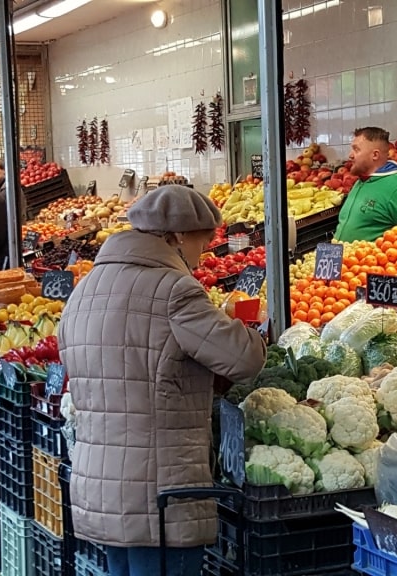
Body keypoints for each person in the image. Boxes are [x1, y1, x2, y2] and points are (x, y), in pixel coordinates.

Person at [59, 185, 266, 576]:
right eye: (201, 245)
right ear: (175, 238)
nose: (200, 257)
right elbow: (245, 359)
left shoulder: (85, 289)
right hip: (161, 493)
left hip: (102, 484)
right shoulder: (175, 291)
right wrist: (246, 330)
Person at [333, 126, 397, 243]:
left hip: (375, 259)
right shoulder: (360, 182)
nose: (350, 155)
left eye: (356, 149)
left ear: (375, 155)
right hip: (341, 259)